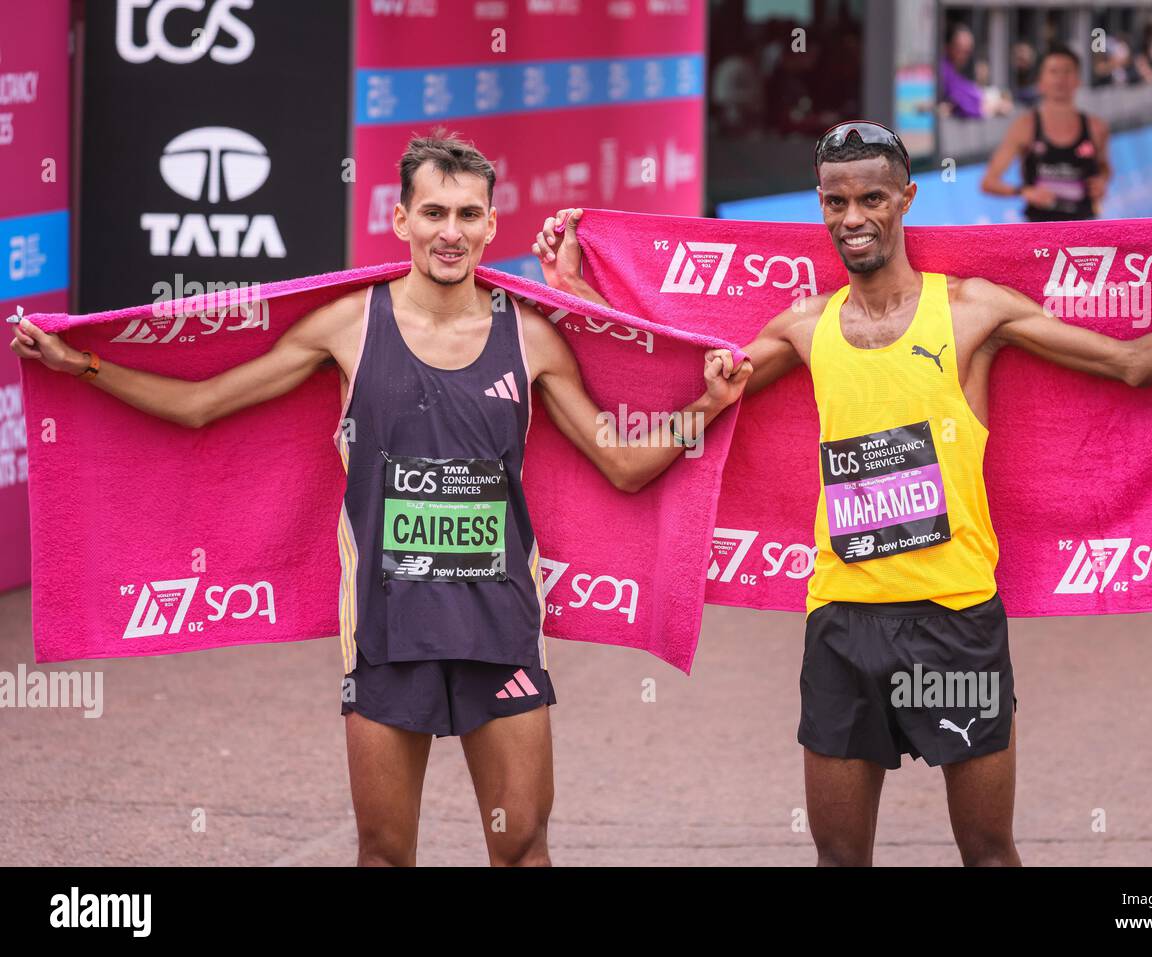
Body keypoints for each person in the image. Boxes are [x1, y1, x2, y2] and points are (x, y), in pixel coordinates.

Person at [535, 122, 1152, 866]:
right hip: (842, 624)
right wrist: (573, 289)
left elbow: (1130, 363)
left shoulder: (972, 311)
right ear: (821, 206)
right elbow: (688, 375)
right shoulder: (805, 325)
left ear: (904, 200)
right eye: (836, 202)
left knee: (988, 851)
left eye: (871, 198)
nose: (853, 218)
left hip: (955, 621)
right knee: (837, 853)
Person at [9, 130, 750, 867]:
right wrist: (86, 366)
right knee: (386, 853)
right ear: (401, 221)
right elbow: (204, 404)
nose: (450, 232)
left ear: (493, 225)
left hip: (503, 630)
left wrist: (710, 407)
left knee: (523, 845)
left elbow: (621, 461)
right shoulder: (350, 327)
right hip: (388, 633)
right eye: (433, 213)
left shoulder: (529, 338)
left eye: (467, 215)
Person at [982, 43, 1111, 222]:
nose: (1060, 79)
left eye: (1067, 71)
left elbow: (1105, 168)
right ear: (1040, 83)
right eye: (1053, 71)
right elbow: (988, 182)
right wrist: (1024, 191)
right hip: (1039, 232)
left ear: (1078, 80)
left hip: (1084, 230)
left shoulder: (1097, 128)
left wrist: (1102, 182)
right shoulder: (1025, 126)